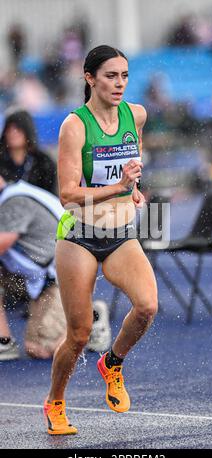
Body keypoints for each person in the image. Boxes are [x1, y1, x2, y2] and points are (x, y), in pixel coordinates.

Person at [44, 45, 158, 435]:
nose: (120, 84)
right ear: (90, 78)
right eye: (111, 76)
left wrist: (134, 187)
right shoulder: (74, 126)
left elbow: (130, 158)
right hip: (79, 237)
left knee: (146, 307)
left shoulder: (136, 114)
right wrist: (118, 187)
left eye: (125, 75)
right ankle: (55, 401)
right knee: (78, 334)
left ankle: (112, 362)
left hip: (121, 234)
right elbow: (68, 194)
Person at [0, 176, 66, 360]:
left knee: (39, 349)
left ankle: (87, 321)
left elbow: (2, 244)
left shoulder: (14, 202)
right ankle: (3, 341)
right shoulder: (10, 197)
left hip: (61, 279)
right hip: (35, 277)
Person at [0, 109, 56, 194]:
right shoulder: (2, 161)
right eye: (9, 129)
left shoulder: (44, 163)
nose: (13, 133)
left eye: (18, 129)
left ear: (27, 131)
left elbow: (49, 197)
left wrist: (7, 187)